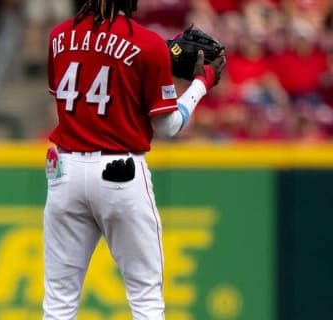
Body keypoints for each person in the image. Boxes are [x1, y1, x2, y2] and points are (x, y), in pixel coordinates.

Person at [42, 1, 225, 319]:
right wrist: (200, 84)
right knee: (145, 298)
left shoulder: (59, 35)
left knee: (59, 301)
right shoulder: (147, 43)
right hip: (120, 174)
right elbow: (167, 127)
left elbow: (73, 86)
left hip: (65, 172)